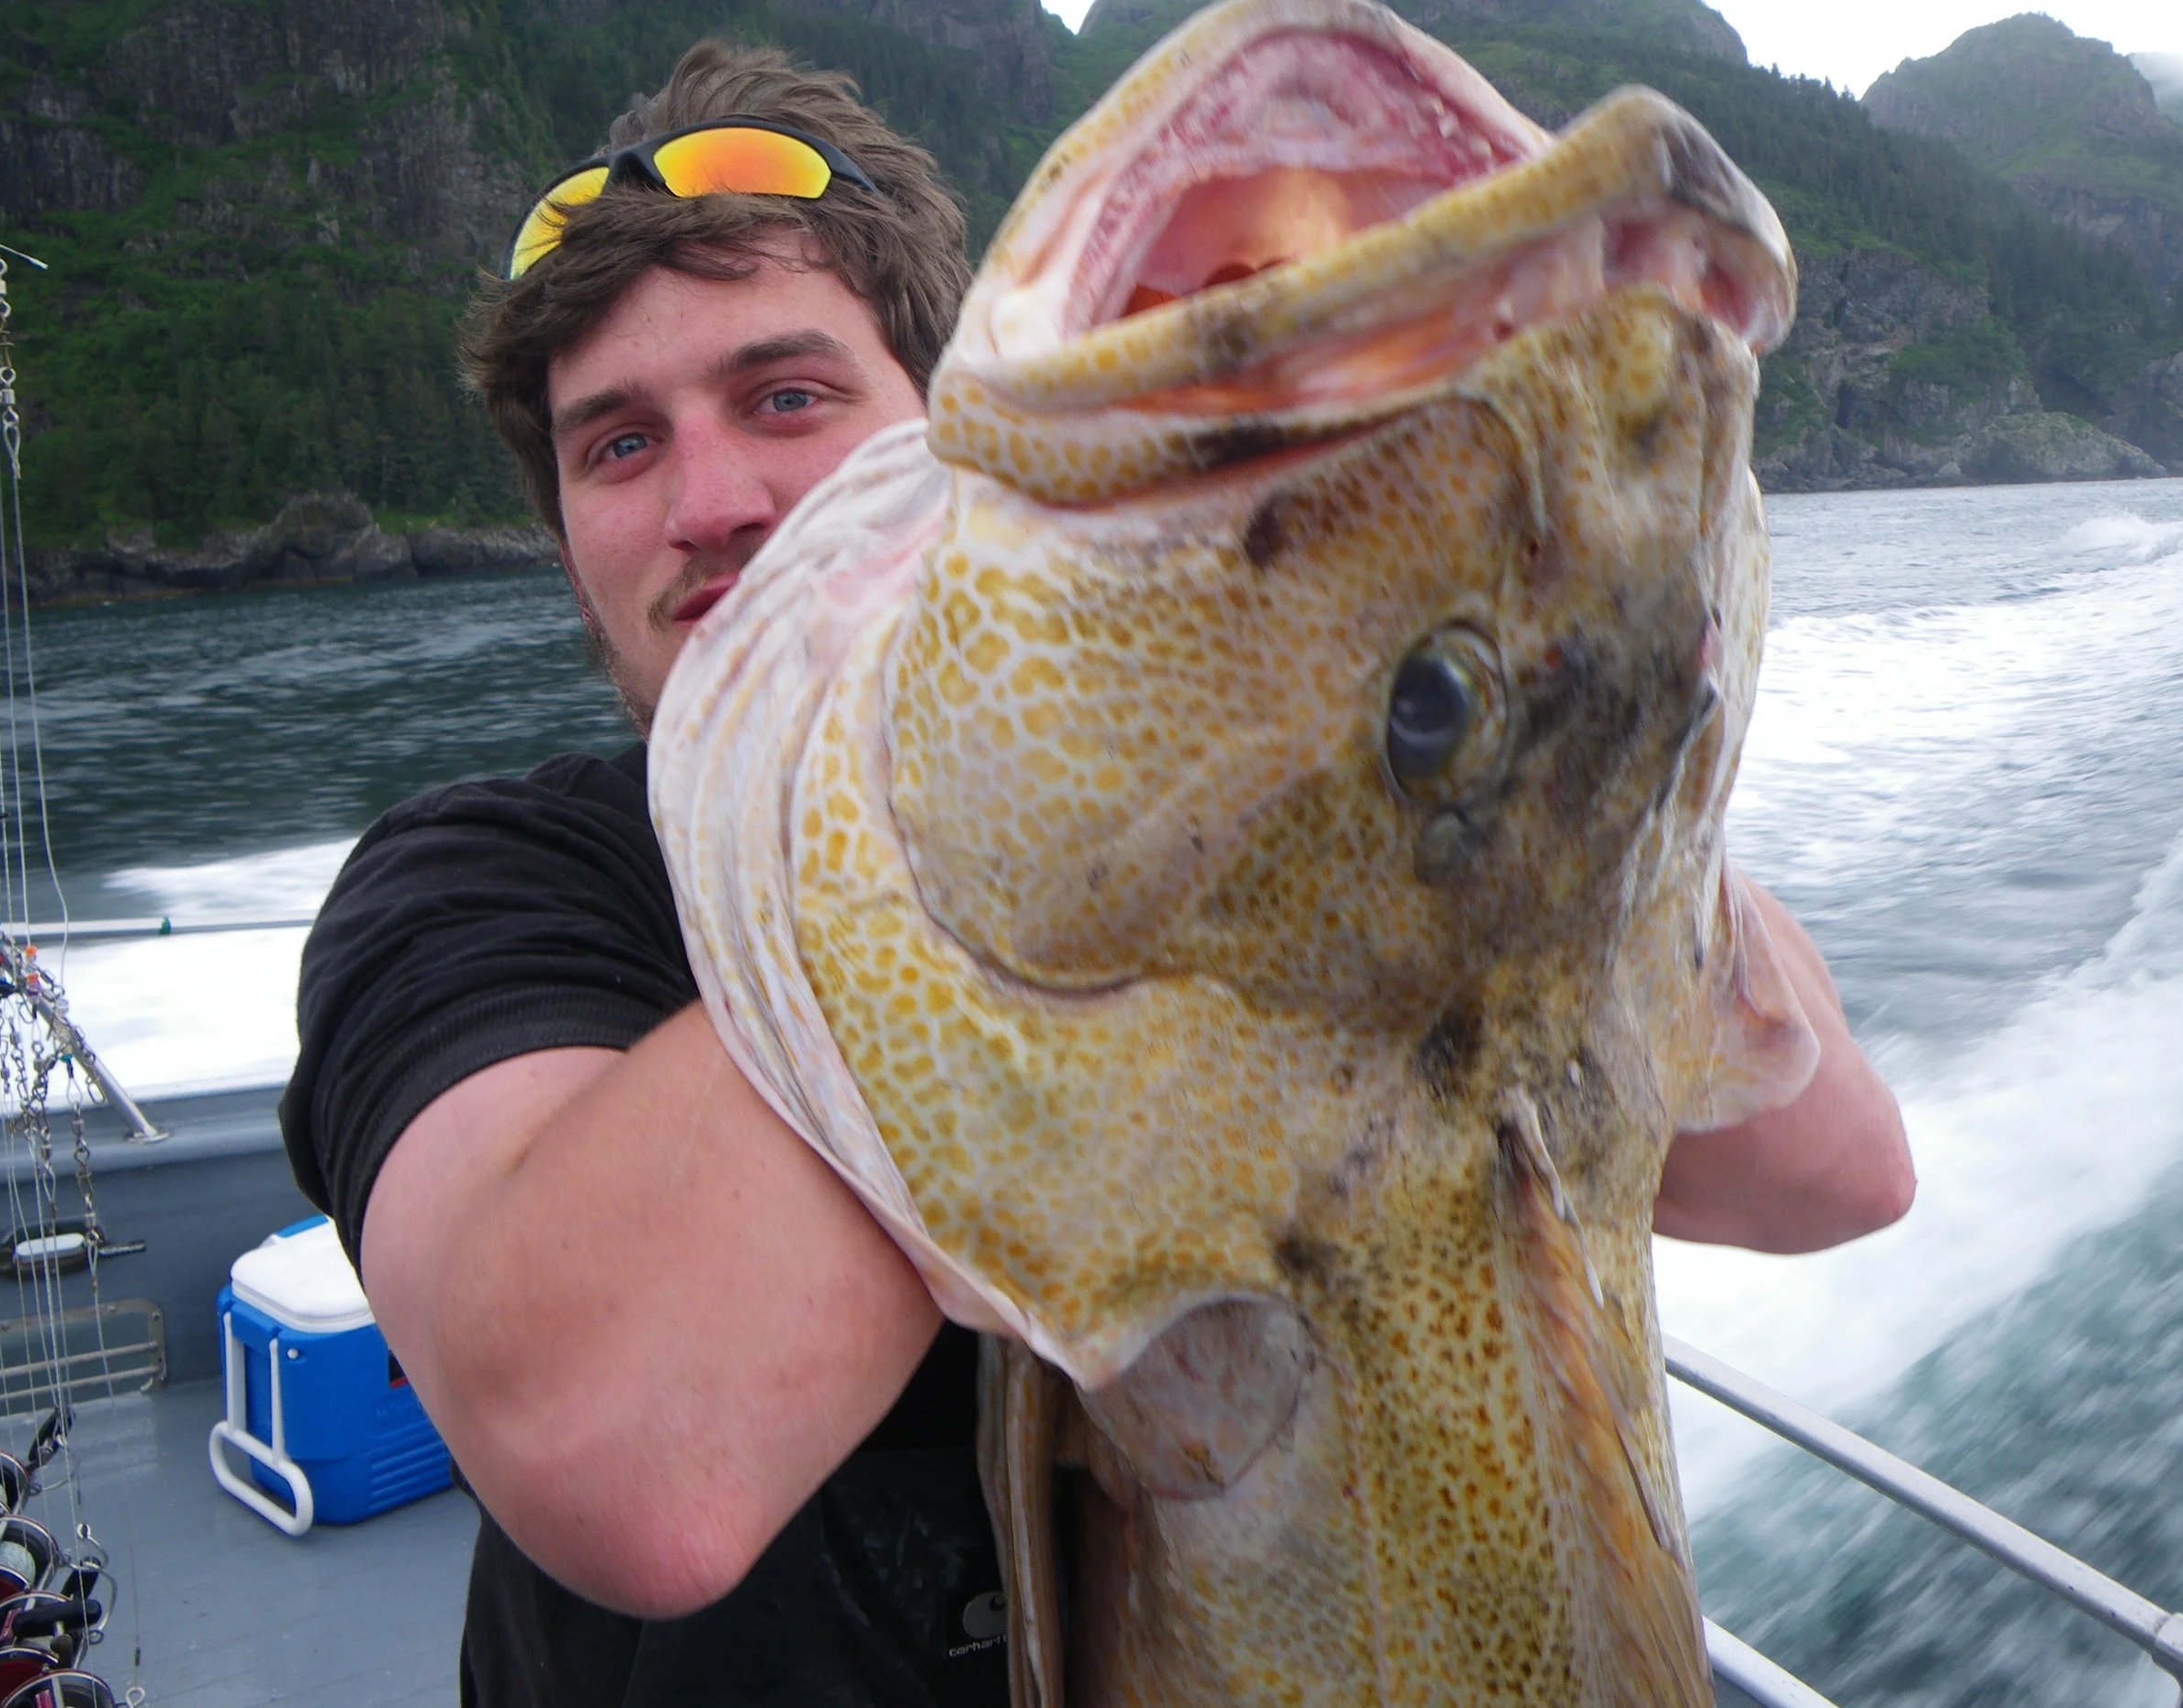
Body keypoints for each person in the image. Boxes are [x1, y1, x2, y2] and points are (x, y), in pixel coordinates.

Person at [280, 37, 1913, 1708]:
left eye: (787, 396)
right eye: (616, 447)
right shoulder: (474, 886)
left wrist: (1581, 783)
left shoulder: (1368, 826)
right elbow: (632, 1455)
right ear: (563, 533)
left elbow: (1838, 1169)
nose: (709, 499)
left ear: (939, 433)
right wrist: (1200, 757)